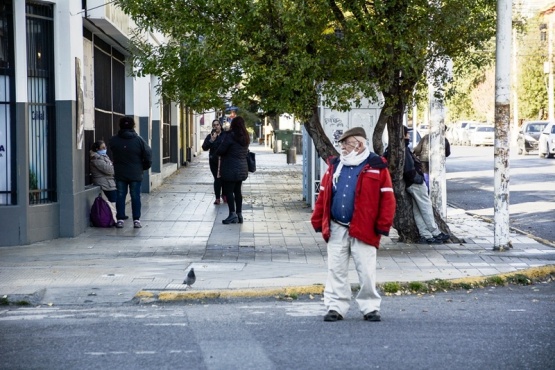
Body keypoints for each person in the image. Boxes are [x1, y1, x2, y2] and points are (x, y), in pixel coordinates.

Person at [311, 127, 396, 323]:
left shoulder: (376, 165)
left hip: (365, 227)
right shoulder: (335, 165)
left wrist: (383, 225)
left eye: (346, 144)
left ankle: (370, 307)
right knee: (336, 269)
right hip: (337, 226)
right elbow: (324, 193)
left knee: (366, 270)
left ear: (359, 145)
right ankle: (335, 307)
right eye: (341, 144)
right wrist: (317, 219)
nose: (342, 148)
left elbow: (388, 198)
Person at [401, 126, 450, 244]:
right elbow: (408, 169)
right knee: (425, 207)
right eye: (407, 134)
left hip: (416, 177)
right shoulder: (403, 149)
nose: (409, 136)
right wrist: (417, 179)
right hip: (416, 181)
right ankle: (435, 232)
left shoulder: (403, 147)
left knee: (418, 210)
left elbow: (417, 151)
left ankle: (426, 235)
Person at [109, 116, 152, 229]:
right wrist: (143, 168)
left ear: (120, 125)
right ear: (133, 125)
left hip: (120, 173)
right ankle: (136, 220)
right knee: (135, 196)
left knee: (120, 195)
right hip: (136, 173)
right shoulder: (139, 140)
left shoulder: (113, 140)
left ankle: (120, 219)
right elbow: (148, 155)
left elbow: (110, 155)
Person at [216, 116, 249, 224]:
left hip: (230, 168)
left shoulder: (230, 136)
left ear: (233, 124)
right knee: (238, 191)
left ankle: (232, 214)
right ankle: (239, 215)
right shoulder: (246, 137)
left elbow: (221, 150)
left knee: (229, 191)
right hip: (242, 168)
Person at [89, 140, 117, 223]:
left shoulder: (104, 156)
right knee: (113, 200)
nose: (105, 149)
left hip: (109, 182)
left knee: (114, 200)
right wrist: (114, 166)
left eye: (105, 147)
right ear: (97, 149)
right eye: (103, 148)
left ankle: (114, 217)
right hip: (104, 182)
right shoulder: (96, 158)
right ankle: (113, 219)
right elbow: (110, 170)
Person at [202, 120, 224, 204]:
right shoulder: (210, 136)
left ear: (220, 125)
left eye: (217, 125)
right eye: (214, 125)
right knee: (217, 178)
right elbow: (204, 148)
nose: (216, 126)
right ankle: (217, 198)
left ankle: (225, 195)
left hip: (224, 160)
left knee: (224, 178)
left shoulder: (225, 135)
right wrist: (211, 140)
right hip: (213, 161)